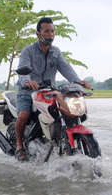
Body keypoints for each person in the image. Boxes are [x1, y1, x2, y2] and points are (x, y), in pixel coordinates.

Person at [15, 17, 90, 162]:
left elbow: (66, 68)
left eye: (52, 31)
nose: (50, 34)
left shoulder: (56, 52)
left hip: (49, 91)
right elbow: (22, 71)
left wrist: (77, 81)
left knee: (66, 111)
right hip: (28, 91)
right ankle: (19, 146)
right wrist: (28, 82)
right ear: (38, 34)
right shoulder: (28, 51)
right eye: (46, 31)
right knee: (23, 115)